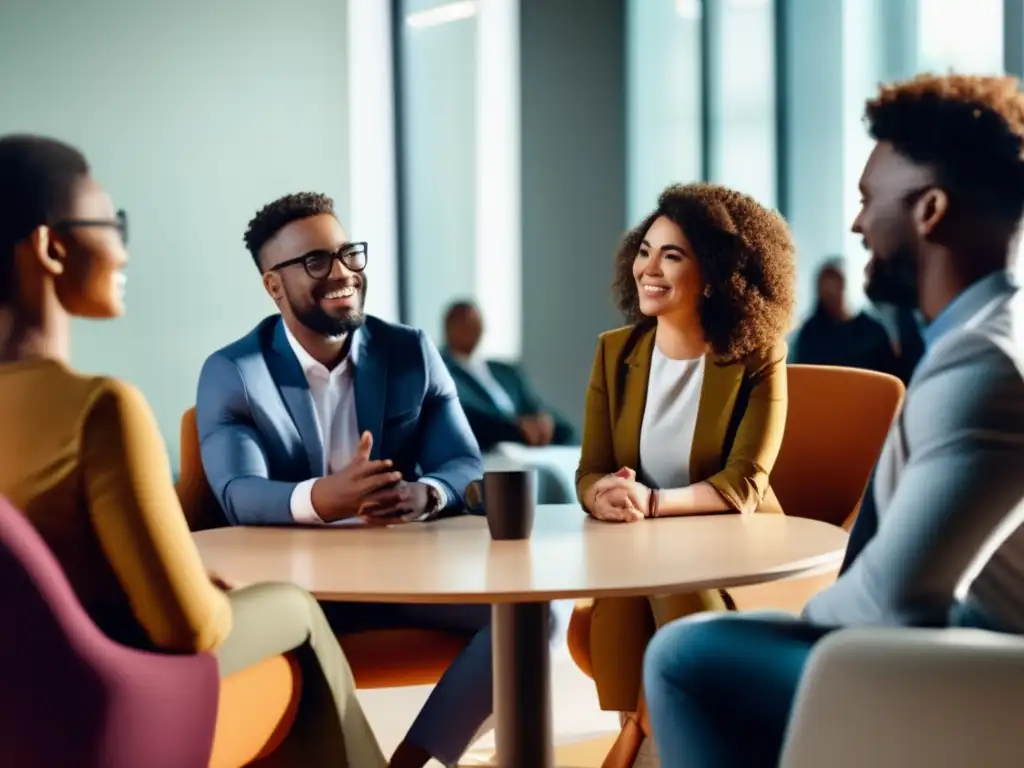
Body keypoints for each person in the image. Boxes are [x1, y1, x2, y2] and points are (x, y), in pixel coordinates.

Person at [643, 73, 1024, 768]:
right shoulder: (990, 336)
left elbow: (898, 600)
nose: (856, 226)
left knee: (686, 657)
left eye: (867, 202)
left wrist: (800, 623)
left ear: (930, 209)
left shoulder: (984, 364)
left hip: (974, 686)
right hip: (966, 644)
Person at [0, 135, 385, 767]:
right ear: (52, 247)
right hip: (116, 707)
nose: (123, 249)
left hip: (26, 704)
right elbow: (189, 629)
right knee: (294, 609)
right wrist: (210, 591)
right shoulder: (99, 407)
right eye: (110, 223)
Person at [195, 192, 495, 768]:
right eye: (315, 261)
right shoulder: (235, 372)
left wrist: (423, 494)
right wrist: (324, 498)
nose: (342, 274)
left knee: (537, 618)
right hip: (303, 595)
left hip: (404, 580)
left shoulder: (410, 352)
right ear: (273, 286)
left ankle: (413, 762)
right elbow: (238, 493)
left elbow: (463, 464)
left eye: (347, 254)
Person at [569, 183, 796, 751]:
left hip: (738, 550)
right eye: (645, 251)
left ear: (716, 273)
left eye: (673, 255)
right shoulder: (613, 352)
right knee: (632, 587)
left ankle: (646, 741)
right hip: (646, 551)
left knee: (670, 586)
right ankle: (644, 733)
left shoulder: (758, 355)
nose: (650, 268)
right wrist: (602, 495)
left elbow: (745, 483)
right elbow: (591, 468)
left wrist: (652, 503)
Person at [441, 299, 577, 452]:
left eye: (477, 323)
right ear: (449, 328)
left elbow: (533, 403)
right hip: (492, 441)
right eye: (465, 323)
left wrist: (543, 418)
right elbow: (467, 413)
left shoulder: (505, 371)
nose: (474, 329)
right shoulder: (442, 372)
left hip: (529, 442)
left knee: (568, 433)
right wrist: (516, 426)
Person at [792, 256, 899, 375]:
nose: (831, 290)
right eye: (826, 283)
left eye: (837, 282)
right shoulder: (810, 332)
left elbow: (891, 379)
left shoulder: (873, 332)